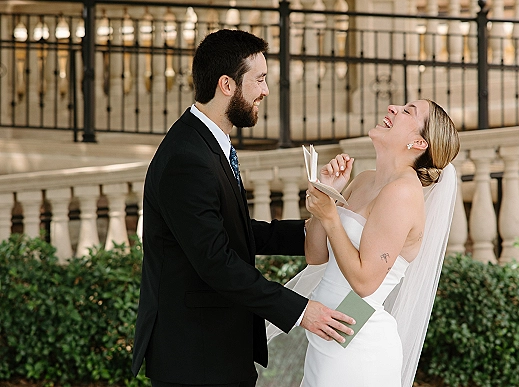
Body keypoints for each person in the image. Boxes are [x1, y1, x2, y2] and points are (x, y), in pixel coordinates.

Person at [131, 29, 354, 387]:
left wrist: (318, 227)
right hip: (195, 356)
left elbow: (236, 231)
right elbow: (215, 261)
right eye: (260, 79)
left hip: (217, 349)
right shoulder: (186, 158)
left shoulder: (206, 142)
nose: (266, 90)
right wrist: (300, 311)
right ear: (227, 84)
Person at [268, 99, 460, 387]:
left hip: (360, 352)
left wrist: (332, 218)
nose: (394, 107)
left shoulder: (404, 193)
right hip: (331, 337)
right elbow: (315, 256)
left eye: (408, 111)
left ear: (419, 143)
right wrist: (329, 193)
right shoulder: (365, 180)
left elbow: (365, 284)